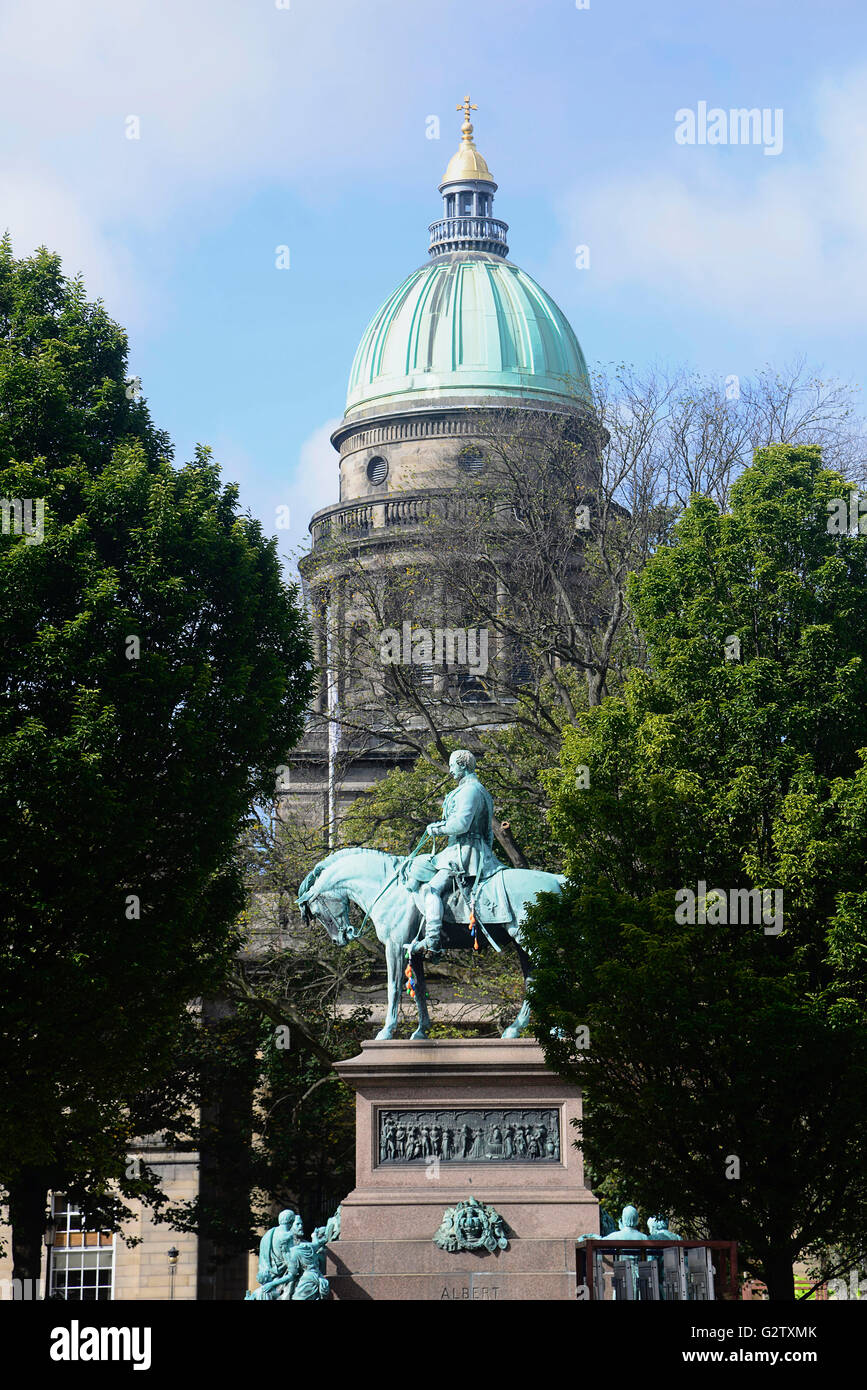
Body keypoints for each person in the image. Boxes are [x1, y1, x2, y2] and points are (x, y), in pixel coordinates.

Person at [412, 749, 501, 960]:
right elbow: (489, 834)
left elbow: (461, 824)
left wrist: (438, 828)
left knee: (432, 890)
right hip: (475, 850)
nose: (450, 770)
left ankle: (432, 941)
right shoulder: (480, 791)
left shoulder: (470, 791)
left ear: (463, 765)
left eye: (453, 765)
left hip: (463, 852)